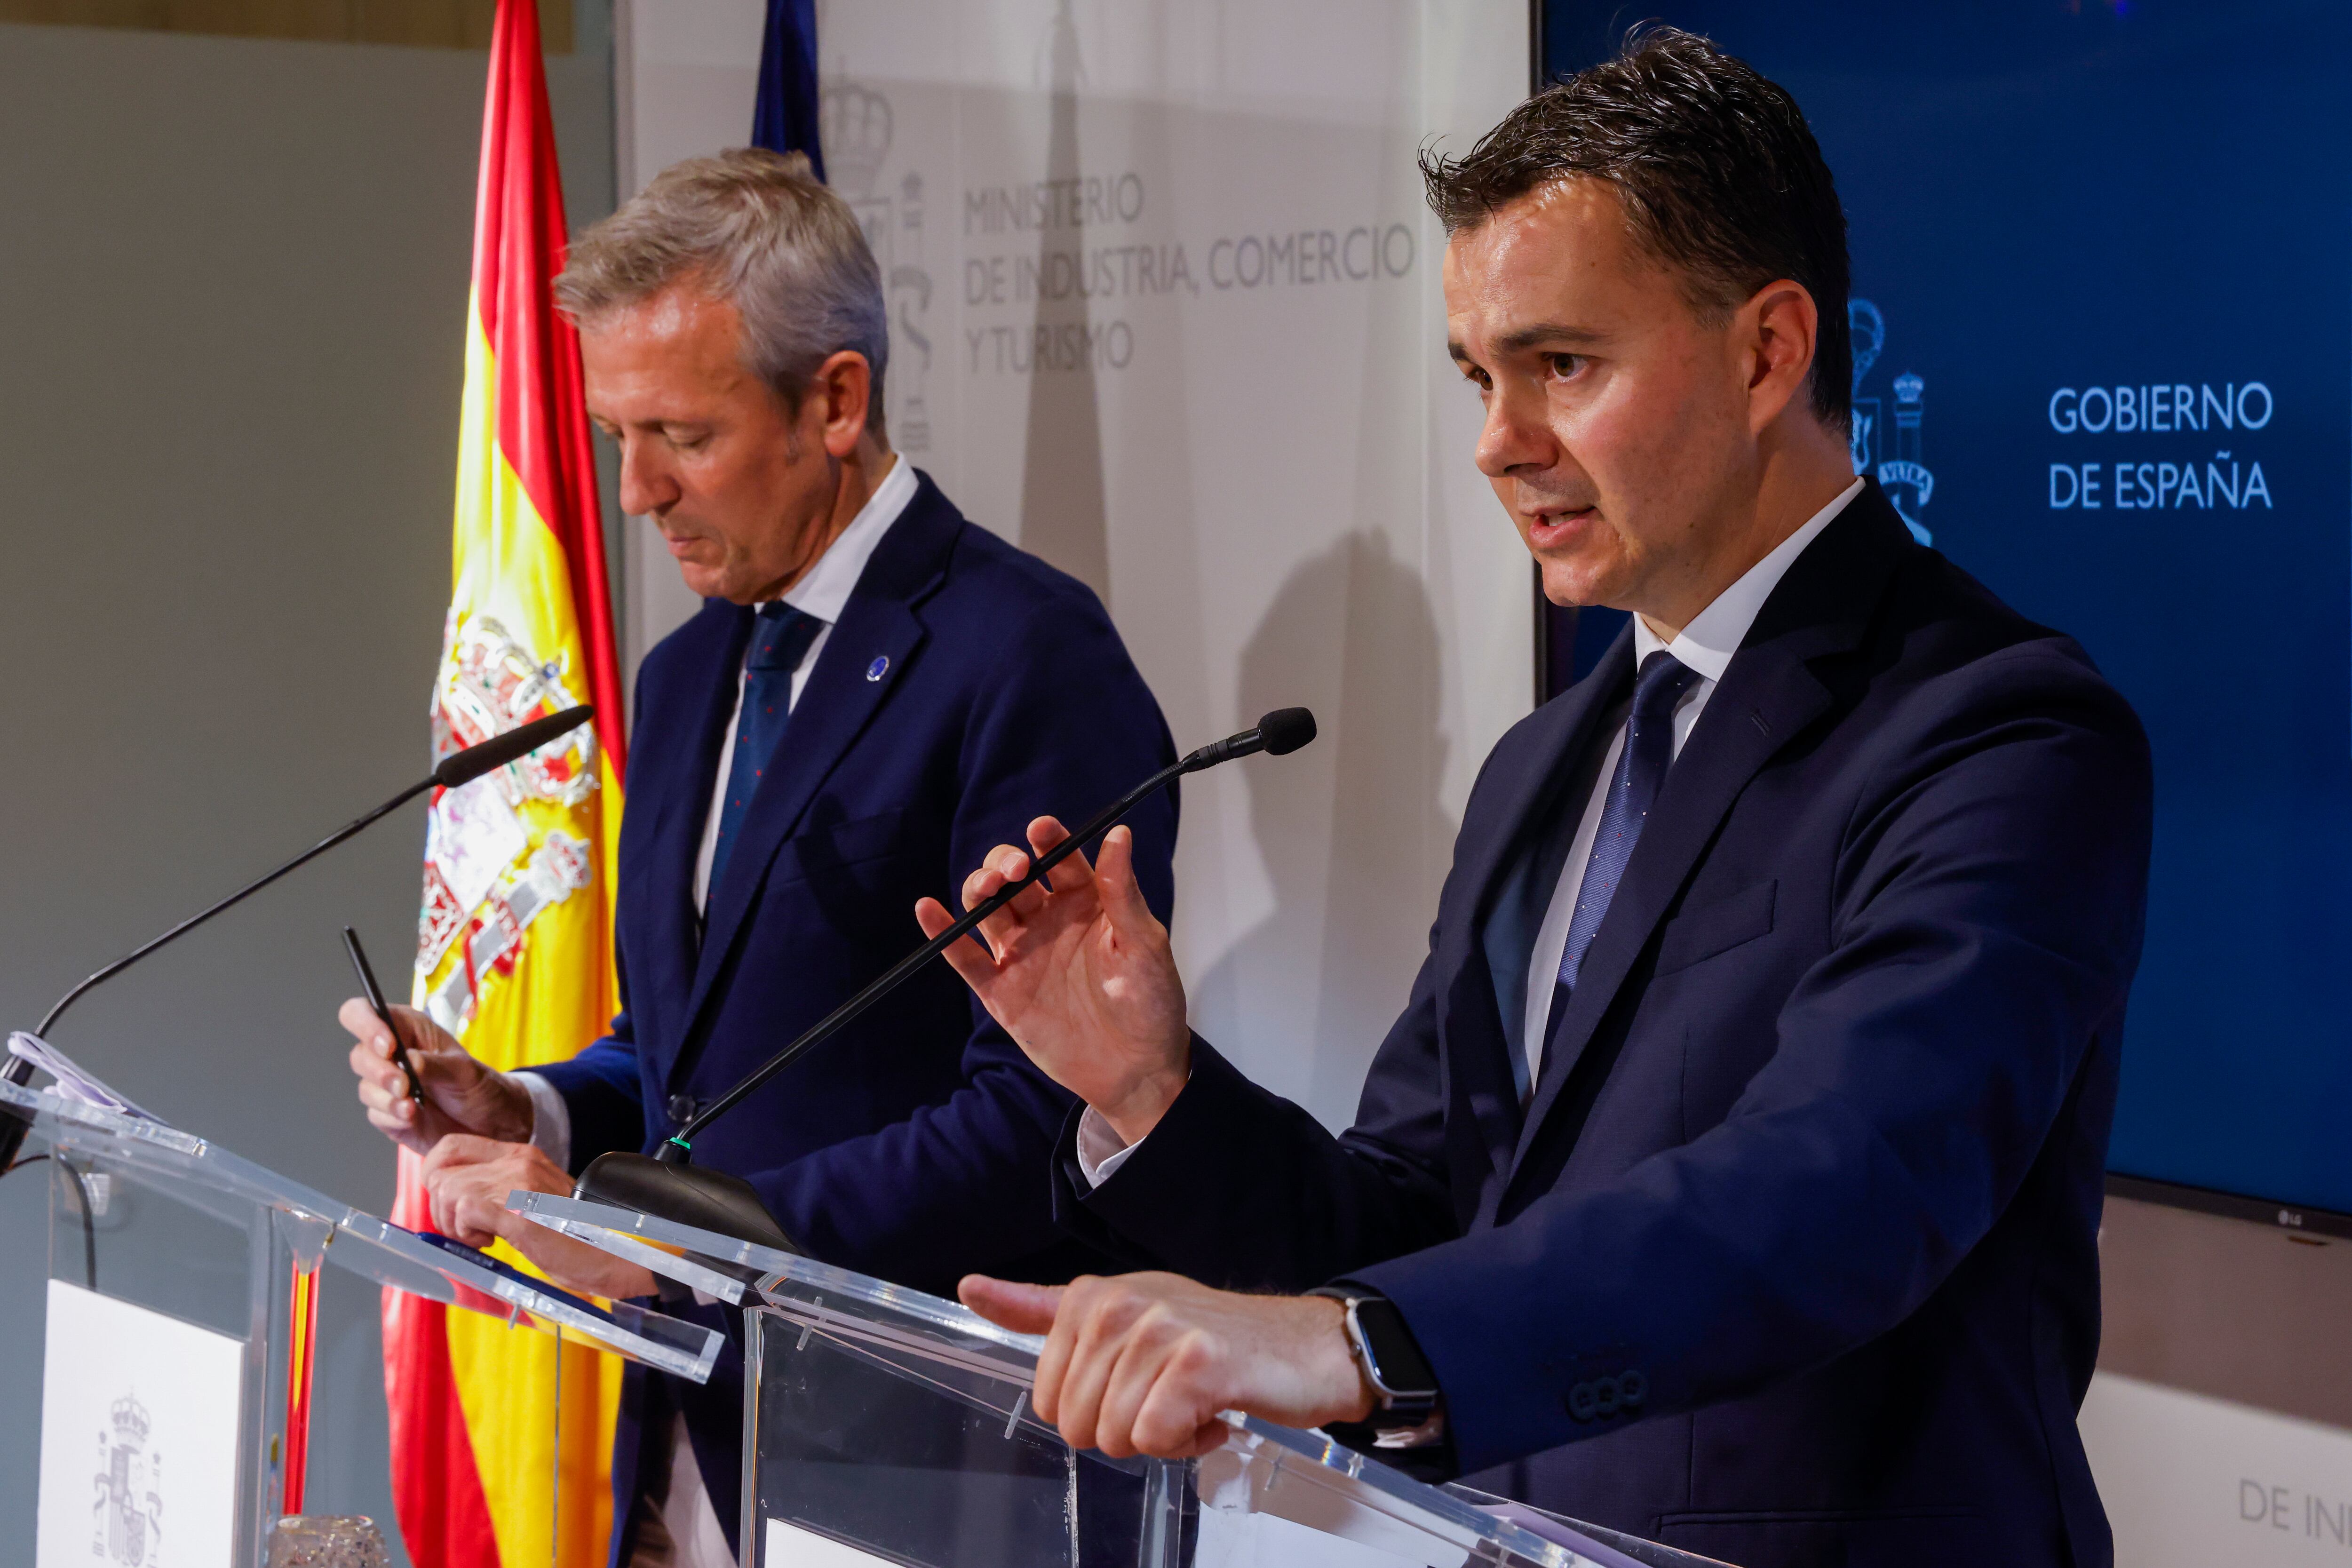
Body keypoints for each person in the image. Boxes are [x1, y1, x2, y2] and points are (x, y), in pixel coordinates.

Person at [919, 31, 2151, 1568]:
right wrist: (1153, 1092)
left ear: (1770, 352)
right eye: (1480, 378)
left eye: (1563, 365)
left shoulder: (2000, 729)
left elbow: (1843, 1187)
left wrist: (1348, 1349)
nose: (1502, 444)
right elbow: (1418, 1222)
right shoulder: (1547, 762)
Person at [339, 149, 1177, 1568]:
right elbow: (704, 1065)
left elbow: (1041, 1119)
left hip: (935, 1461)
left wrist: (691, 1241)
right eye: (616, 436)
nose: (635, 492)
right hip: (692, 1436)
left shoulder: (1024, 656)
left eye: (679, 434)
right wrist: (532, 1106)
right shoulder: (683, 677)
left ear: (835, 402)